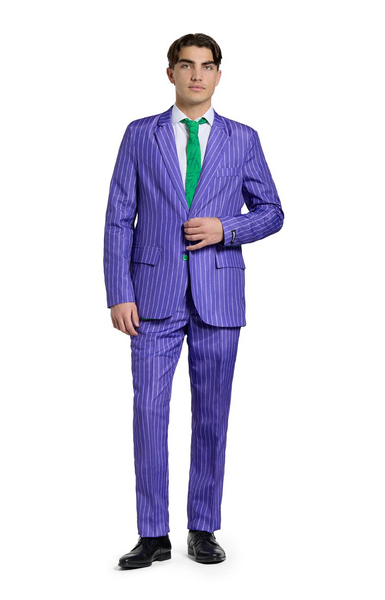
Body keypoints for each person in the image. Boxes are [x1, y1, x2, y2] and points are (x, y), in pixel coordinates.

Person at [103, 32, 284, 568]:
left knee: (211, 415)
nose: (197, 75)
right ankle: (152, 534)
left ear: (218, 75)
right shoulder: (140, 134)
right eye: (186, 65)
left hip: (218, 297)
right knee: (148, 414)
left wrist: (226, 228)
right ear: (171, 73)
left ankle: (203, 528)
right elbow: (118, 218)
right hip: (151, 298)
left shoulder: (243, 139)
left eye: (206, 66)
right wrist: (119, 292)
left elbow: (272, 211)